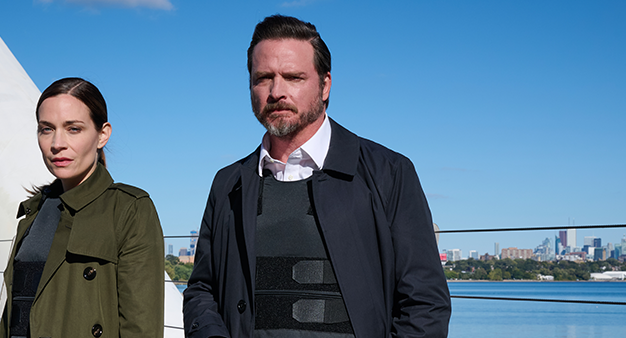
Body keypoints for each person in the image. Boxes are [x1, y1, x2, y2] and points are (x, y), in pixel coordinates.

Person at [182, 15, 451, 338]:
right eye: (263, 78)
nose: (276, 91)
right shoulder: (228, 184)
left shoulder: (389, 173)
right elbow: (201, 289)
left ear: (325, 85)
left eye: (293, 77)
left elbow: (424, 304)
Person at [0, 77, 164, 337]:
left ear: (102, 134)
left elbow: (141, 328)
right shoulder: (33, 212)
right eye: (46, 129)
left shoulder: (129, 210)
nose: (57, 144)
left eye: (73, 129)